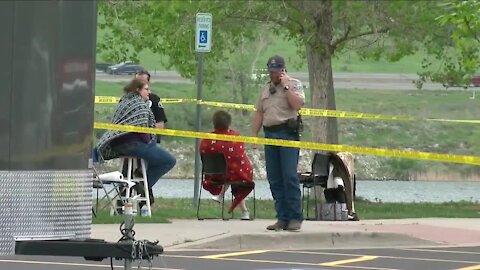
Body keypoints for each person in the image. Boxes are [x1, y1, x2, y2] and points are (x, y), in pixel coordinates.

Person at [96, 78, 176, 206]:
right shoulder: (140, 105)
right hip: (132, 145)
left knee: (149, 154)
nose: (148, 92)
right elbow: (144, 133)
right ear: (137, 90)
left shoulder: (123, 101)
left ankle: (134, 182)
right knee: (169, 160)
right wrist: (150, 141)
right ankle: (141, 184)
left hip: (116, 145)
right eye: (146, 89)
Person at [251, 55, 305, 231]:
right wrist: (254, 135)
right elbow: (259, 112)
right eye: (270, 71)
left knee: (289, 176)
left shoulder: (294, 84)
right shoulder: (265, 89)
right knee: (275, 178)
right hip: (270, 134)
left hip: (287, 134)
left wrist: (286, 85)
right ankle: (282, 217)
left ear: (282, 70)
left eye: (275, 71)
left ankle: (295, 218)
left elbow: (297, 105)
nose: (272, 75)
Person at [200, 110, 254, 220]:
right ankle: (244, 212)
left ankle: (223, 197)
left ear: (214, 123)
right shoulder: (234, 138)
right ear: (229, 123)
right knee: (236, 175)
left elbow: (203, 152)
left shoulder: (207, 139)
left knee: (230, 174)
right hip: (233, 174)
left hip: (213, 175)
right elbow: (239, 158)